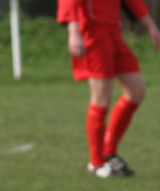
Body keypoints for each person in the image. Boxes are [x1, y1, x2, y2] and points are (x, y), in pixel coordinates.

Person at [57, 0, 160, 178]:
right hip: (91, 32)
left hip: (113, 30)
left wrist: (150, 25)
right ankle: (96, 163)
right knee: (101, 97)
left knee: (136, 91)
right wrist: (73, 31)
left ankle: (109, 153)